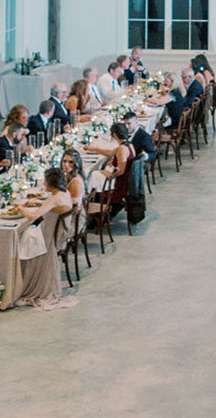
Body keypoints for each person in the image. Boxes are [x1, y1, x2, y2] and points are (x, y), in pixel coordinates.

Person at [17, 167, 77, 310]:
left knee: (21, 235)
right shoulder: (65, 192)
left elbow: (33, 217)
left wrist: (21, 208)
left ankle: (21, 281)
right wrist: (39, 204)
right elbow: (51, 208)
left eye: (45, 181)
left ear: (50, 183)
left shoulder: (55, 199)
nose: (44, 184)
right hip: (57, 231)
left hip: (47, 234)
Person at [86, 123, 134, 214]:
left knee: (93, 175)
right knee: (98, 173)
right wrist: (93, 149)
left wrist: (110, 175)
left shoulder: (122, 149)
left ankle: (94, 207)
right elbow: (110, 153)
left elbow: (121, 171)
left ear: (114, 135)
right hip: (125, 180)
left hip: (120, 183)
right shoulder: (129, 145)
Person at [58, 148, 87, 234]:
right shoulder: (68, 176)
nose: (66, 165)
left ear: (76, 164)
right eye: (64, 161)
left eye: (70, 162)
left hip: (74, 221)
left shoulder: (75, 182)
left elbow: (75, 209)